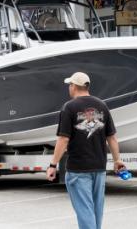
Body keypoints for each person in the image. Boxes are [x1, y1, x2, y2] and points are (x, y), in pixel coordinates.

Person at [46, 72, 125, 229]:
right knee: (96, 211)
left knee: (85, 211)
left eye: (70, 84)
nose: (69, 87)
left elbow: (63, 139)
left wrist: (53, 165)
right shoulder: (102, 105)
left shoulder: (69, 107)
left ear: (74, 86)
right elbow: (112, 138)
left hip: (78, 169)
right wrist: (117, 161)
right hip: (99, 168)